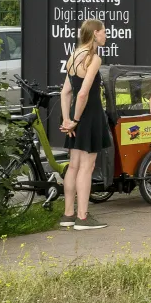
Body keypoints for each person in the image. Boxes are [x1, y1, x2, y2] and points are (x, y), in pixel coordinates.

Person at [57, 19, 108, 231]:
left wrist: (67, 120)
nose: (106, 36)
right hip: (89, 116)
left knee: (74, 166)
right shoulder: (93, 58)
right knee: (87, 167)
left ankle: (68, 214)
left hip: (75, 118)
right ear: (95, 33)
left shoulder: (73, 56)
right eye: (104, 32)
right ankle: (83, 217)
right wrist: (76, 120)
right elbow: (83, 93)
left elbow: (65, 92)